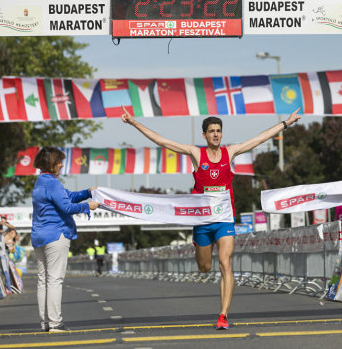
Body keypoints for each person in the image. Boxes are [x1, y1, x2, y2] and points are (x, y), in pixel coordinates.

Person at [121, 106, 301, 329]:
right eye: (211, 131)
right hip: (202, 222)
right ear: (204, 135)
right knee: (205, 267)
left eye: (218, 130)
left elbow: (259, 138)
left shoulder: (231, 152)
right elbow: (162, 141)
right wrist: (133, 122)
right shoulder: (196, 154)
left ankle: (223, 315)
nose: (216, 134)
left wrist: (287, 123)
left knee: (225, 262)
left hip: (225, 219)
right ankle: (200, 248)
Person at [31, 147, 100, 332]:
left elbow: (67, 196)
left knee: (43, 281)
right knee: (55, 280)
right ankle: (55, 323)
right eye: (59, 161)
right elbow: (67, 206)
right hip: (56, 234)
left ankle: (45, 322)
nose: (62, 164)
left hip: (39, 235)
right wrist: (88, 206)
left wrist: (87, 192)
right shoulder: (52, 183)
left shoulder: (41, 182)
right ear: (52, 163)